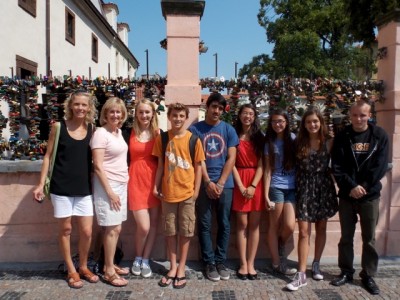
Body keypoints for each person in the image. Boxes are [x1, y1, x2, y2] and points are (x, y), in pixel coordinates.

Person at [33, 91, 99, 289]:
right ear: (70, 105)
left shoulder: (92, 129)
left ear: (89, 108)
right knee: (66, 229)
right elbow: (47, 156)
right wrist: (40, 183)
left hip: (84, 188)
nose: (80, 108)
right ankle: (71, 269)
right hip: (60, 188)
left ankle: (84, 266)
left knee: (87, 231)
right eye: (76, 104)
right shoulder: (58, 127)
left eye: (84, 105)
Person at [330, 100, 389, 295]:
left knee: (369, 238)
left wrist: (362, 187)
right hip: (347, 195)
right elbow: (337, 166)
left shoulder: (379, 136)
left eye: (362, 115)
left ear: (369, 115)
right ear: (350, 115)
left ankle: (368, 275)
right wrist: (351, 186)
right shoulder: (342, 136)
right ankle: (346, 271)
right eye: (355, 115)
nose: (358, 119)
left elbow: (379, 166)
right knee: (346, 237)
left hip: (369, 195)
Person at [152, 103, 205, 289]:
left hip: (187, 194)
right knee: (170, 232)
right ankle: (172, 267)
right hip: (168, 194)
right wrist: (155, 186)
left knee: (186, 232)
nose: (178, 119)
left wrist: (196, 191)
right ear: (169, 116)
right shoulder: (163, 138)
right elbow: (160, 166)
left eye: (181, 116)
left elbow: (198, 167)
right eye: (174, 115)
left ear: (186, 117)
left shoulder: (194, 140)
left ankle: (181, 267)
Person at [189, 92, 239, 282]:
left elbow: (231, 158)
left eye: (220, 108)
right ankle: (209, 262)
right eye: (213, 107)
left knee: (224, 224)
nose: (216, 110)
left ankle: (220, 261)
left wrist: (219, 182)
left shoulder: (229, 130)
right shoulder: (195, 130)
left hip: (225, 185)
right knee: (204, 224)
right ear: (207, 107)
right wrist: (208, 182)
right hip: (203, 184)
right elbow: (197, 159)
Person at [286, 108, 338, 291]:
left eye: (315, 121)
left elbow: (337, 165)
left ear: (321, 122)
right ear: (304, 124)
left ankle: (316, 263)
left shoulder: (329, 142)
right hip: (304, 187)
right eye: (309, 122)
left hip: (323, 188)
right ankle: (301, 274)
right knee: (303, 231)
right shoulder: (299, 142)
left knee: (321, 227)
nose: (312, 124)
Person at [91, 97, 129, 287]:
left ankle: (111, 263)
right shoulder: (100, 133)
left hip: (121, 185)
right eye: (112, 111)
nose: (116, 115)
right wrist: (110, 192)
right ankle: (108, 270)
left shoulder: (118, 132)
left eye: (119, 112)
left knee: (116, 227)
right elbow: (97, 166)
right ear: (105, 114)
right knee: (112, 229)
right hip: (108, 186)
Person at [123, 99, 160, 278]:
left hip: (154, 180)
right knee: (143, 226)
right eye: (141, 112)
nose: (144, 115)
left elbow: (163, 160)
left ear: (152, 114)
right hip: (135, 180)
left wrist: (159, 185)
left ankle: (145, 260)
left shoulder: (159, 133)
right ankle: (137, 257)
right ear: (136, 114)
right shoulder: (128, 132)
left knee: (153, 225)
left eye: (147, 112)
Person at [232, 104, 265, 280]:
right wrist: (241, 186)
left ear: (254, 117)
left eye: (251, 114)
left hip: (255, 182)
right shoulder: (233, 135)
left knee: (254, 226)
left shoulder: (260, 137)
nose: (248, 116)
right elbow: (231, 163)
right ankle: (243, 263)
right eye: (245, 113)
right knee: (241, 225)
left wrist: (252, 186)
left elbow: (262, 165)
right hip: (239, 180)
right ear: (239, 115)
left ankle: (251, 263)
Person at [263, 108, 297, 276]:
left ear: (287, 122)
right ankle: (277, 263)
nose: (278, 124)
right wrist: (265, 196)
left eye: (281, 121)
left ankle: (280, 245)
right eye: (275, 121)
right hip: (276, 187)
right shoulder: (269, 142)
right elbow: (268, 171)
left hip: (292, 188)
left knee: (290, 225)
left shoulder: (294, 139)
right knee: (274, 226)